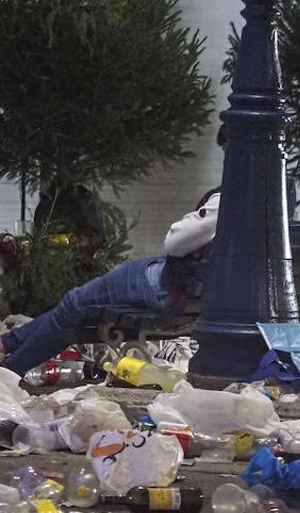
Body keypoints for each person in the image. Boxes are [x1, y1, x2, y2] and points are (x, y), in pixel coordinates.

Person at [0, 132, 225, 376]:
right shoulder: (264, 201)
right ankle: (6, 344)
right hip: (193, 293)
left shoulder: (225, 202)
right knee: (77, 307)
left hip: (166, 288)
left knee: (74, 304)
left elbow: (175, 241)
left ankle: (9, 371)